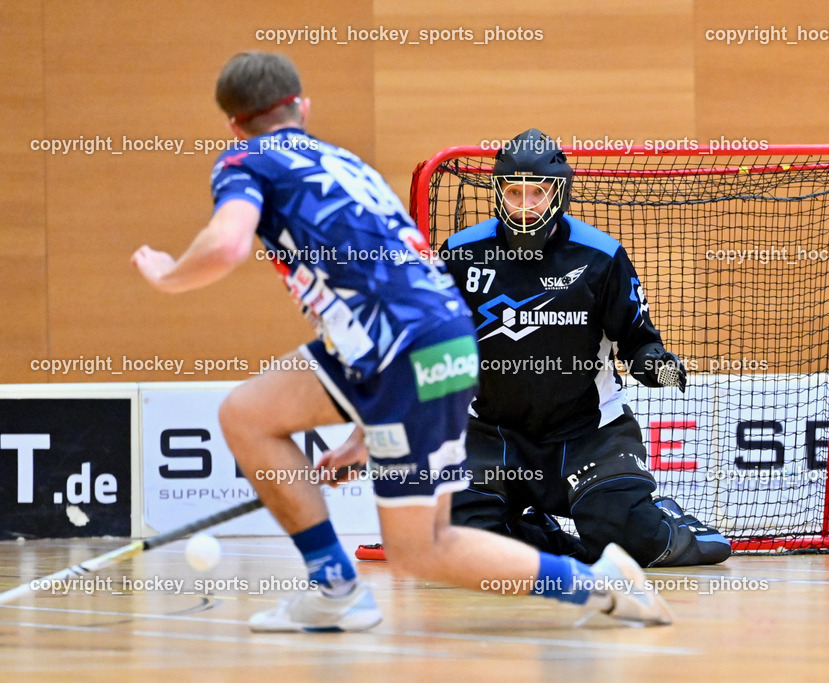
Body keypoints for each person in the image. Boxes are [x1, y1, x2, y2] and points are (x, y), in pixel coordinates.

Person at [131, 52, 672, 632]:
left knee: (423, 549)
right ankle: (333, 585)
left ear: (232, 124)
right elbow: (404, 284)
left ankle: (596, 585)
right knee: (248, 414)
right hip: (431, 340)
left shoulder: (244, 160)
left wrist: (169, 275)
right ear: (302, 109)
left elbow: (229, 244)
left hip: (394, 350)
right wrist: (368, 431)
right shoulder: (344, 162)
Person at [435, 128, 731, 568]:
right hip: (492, 436)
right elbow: (436, 342)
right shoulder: (461, 254)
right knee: (463, 542)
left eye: (537, 193)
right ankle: (545, 536)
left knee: (629, 538)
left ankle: (668, 526)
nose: (525, 205)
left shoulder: (600, 256)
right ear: (498, 192)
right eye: (513, 192)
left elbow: (638, 342)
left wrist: (658, 366)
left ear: (560, 193)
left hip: (588, 434)